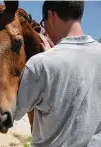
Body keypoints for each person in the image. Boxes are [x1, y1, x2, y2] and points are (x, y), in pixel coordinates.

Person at [14, 1, 101, 147]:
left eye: (44, 23)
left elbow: (16, 112)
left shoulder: (40, 64)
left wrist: (49, 59)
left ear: (51, 15)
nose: (45, 29)